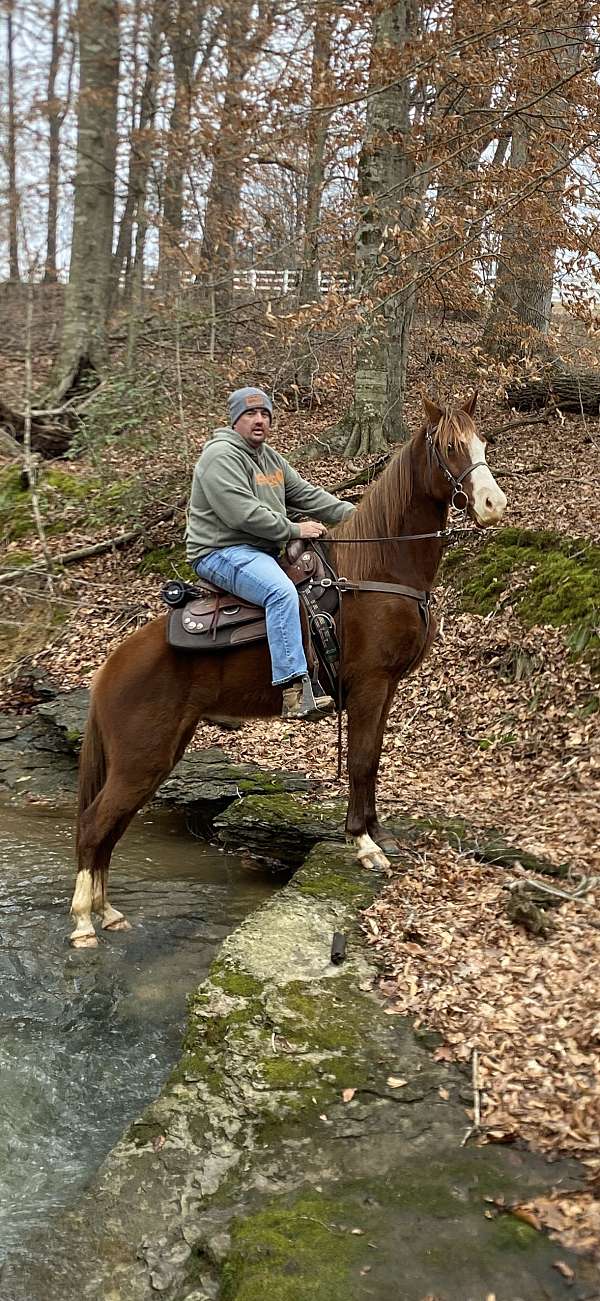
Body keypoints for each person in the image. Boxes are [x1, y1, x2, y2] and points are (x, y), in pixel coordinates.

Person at [185, 386, 355, 720]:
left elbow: (307, 494)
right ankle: (293, 692)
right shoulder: (220, 456)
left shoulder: (270, 458)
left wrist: (360, 517)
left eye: (265, 414)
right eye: (250, 414)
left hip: (258, 551)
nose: (259, 420)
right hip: (221, 551)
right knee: (280, 592)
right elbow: (242, 513)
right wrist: (295, 530)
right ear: (235, 420)